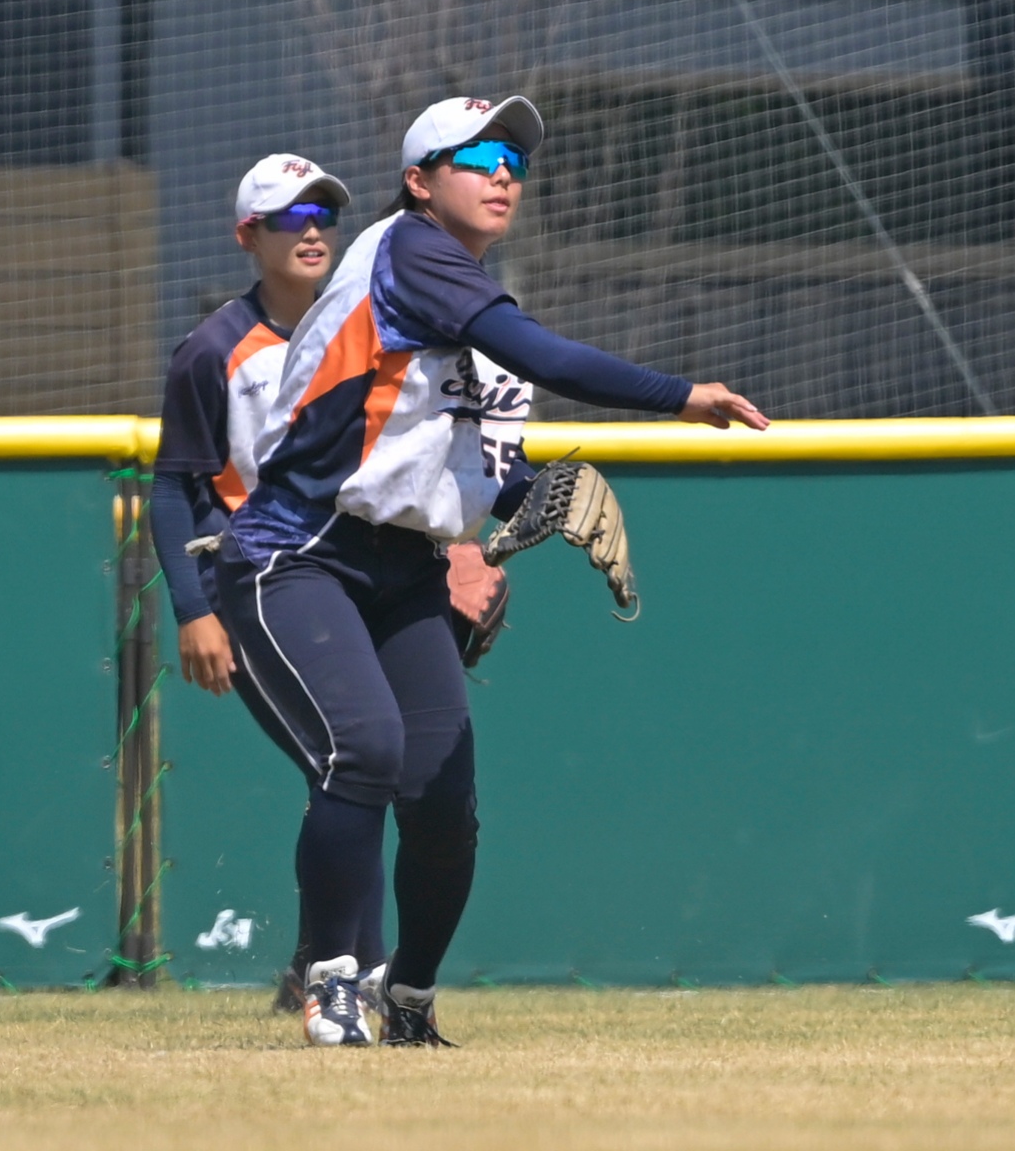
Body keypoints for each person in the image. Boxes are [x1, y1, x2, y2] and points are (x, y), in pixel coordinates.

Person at [218, 95, 768, 1047]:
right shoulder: (411, 251)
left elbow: (460, 448)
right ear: (419, 182)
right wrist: (680, 395)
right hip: (300, 549)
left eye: (514, 159)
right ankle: (332, 983)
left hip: (404, 566)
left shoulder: (460, 292)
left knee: (443, 803)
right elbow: (543, 356)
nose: (503, 173)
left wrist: (532, 496)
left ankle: (409, 1000)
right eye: (475, 158)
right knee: (366, 752)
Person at [151, 154, 395, 1012]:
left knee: (363, 766)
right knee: (350, 761)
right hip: (256, 586)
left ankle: (316, 970)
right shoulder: (213, 349)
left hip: (353, 576)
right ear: (247, 237)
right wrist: (194, 611)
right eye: (290, 218)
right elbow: (173, 486)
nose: (313, 230)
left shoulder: (365, 329)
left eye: (323, 214)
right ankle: (350, 975)